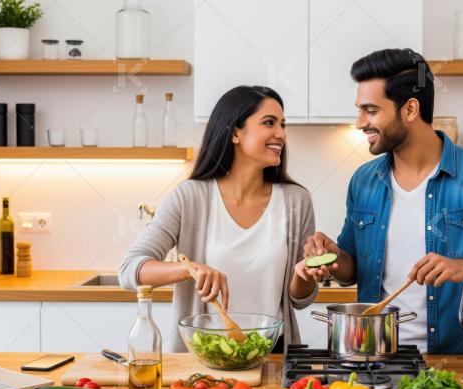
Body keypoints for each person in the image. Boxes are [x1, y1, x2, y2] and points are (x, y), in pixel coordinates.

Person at [301, 49, 463, 354]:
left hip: (460, 364)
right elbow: (351, 272)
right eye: (359, 110)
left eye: (371, 110)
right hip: (378, 359)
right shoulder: (364, 181)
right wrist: (334, 255)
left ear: (410, 109)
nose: (360, 122)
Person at [119, 86, 318, 353]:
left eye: (283, 124)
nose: (281, 134)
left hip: (273, 355)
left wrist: (305, 274)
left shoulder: (296, 201)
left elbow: (300, 299)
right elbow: (130, 270)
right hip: (203, 355)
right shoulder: (189, 197)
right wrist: (190, 269)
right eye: (269, 123)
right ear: (236, 132)